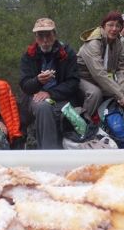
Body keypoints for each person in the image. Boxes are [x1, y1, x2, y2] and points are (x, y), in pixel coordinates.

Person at [19, 18, 80, 149]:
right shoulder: (28, 55)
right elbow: (24, 84)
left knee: (73, 114)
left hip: (60, 97)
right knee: (44, 108)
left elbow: (73, 82)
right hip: (35, 97)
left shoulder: (67, 53)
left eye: (48, 35)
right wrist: (38, 81)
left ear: (55, 35)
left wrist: (49, 93)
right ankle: (49, 153)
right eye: (41, 36)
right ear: (36, 37)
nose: (45, 40)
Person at [77, 10, 124, 118]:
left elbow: (123, 68)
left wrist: (121, 90)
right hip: (81, 78)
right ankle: (83, 122)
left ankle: (115, 121)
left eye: (118, 26)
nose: (114, 29)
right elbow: (99, 73)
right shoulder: (93, 43)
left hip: (98, 78)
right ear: (103, 26)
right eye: (110, 25)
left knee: (123, 92)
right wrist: (119, 94)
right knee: (95, 93)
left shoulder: (117, 44)